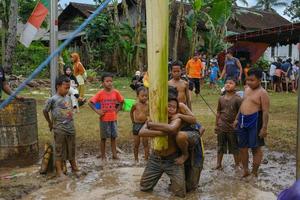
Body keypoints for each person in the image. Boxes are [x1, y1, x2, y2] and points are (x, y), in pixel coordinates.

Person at [139, 97, 186, 197]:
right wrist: (164, 133)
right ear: (163, 107)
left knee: (180, 194)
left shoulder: (176, 119)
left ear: (177, 110)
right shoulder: (154, 117)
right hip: (155, 158)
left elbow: (171, 128)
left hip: (172, 160)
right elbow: (141, 132)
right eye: (169, 106)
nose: (171, 109)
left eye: (174, 107)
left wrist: (151, 126)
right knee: (144, 189)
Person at [234, 68, 270, 177]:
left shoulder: (262, 93)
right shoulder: (247, 89)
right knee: (242, 147)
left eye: (252, 80)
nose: (249, 82)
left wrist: (264, 128)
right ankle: (245, 170)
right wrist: (237, 118)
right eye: (248, 79)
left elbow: (265, 112)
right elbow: (243, 105)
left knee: (256, 147)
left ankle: (254, 172)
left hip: (255, 121)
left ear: (259, 80)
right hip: (242, 120)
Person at [43, 75, 80, 177]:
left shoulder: (69, 98)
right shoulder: (53, 99)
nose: (68, 90)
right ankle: (59, 171)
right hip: (59, 129)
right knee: (59, 150)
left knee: (72, 148)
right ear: (58, 86)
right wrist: (50, 122)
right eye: (66, 88)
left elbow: (71, 110)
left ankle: (74, 167)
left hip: (70, 128)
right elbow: (45, 111)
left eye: (69, 88)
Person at [88, 73, 124, 160]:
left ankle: (114, 155)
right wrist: (98, 111)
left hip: (113, 119)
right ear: (103, 83)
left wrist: (117, 110)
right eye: (107, 81)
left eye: (111, 81)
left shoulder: (116, 92)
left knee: (113, 137)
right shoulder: (100, 93)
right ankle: (103, 156)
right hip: (104, 119)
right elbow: (90, 102)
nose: (109, 83)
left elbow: (122, 101)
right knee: (103, 138)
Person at [215, 78, 242, 170]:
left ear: (236, 86)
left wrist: (236, 120)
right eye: (226, 83)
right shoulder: (221, 98)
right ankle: (218, 164)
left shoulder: (238, 99)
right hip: (222, 126)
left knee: (235, 146)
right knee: (220, 146)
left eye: (231, 83)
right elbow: (218, 111)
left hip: (232, 127)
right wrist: (216, 124)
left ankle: (237, 164)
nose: (228, 84)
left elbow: (241, 111)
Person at [130, 86, 149, 162]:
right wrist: (133, 121)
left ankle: (146, 158)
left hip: (145, 125)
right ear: (138, 96)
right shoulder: (135, 105)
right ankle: (136, 159)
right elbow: (131, 112)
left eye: (146, 96)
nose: (144, 98)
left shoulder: (148, 105)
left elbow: (150, 114)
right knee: (136, 144)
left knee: (145, 143)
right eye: (142, 96)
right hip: (137, 125)